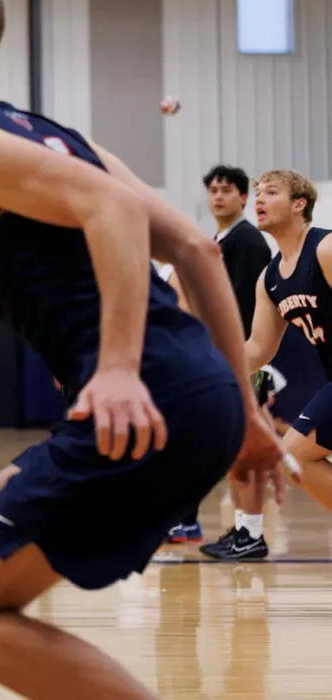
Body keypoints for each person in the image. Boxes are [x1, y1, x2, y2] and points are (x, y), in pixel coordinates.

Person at [0, 0, 282, 700]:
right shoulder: (49, 134)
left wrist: (119, 367)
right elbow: (196, 251)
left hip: (151, 390)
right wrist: (247, 412)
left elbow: (116, 212)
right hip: (198, 387)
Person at [167, 165, 271, 549]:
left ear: (243, 197)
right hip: (213, 360)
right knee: (205, 443)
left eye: (227, 190)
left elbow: (239, 311)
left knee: (236, 447)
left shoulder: (246, 241)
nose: (218, 196)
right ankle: (192, 521)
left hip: (235, 360)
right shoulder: (219, 239)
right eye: (212, 189)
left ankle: (248, 532)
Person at [238, 170, 332, 518]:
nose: (259, 199)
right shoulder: (270, 278)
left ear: (299, 204)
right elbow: (258, 349)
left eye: (271, 192)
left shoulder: (325, 249)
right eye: (257, 193)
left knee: (295, 452)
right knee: (295, 459)